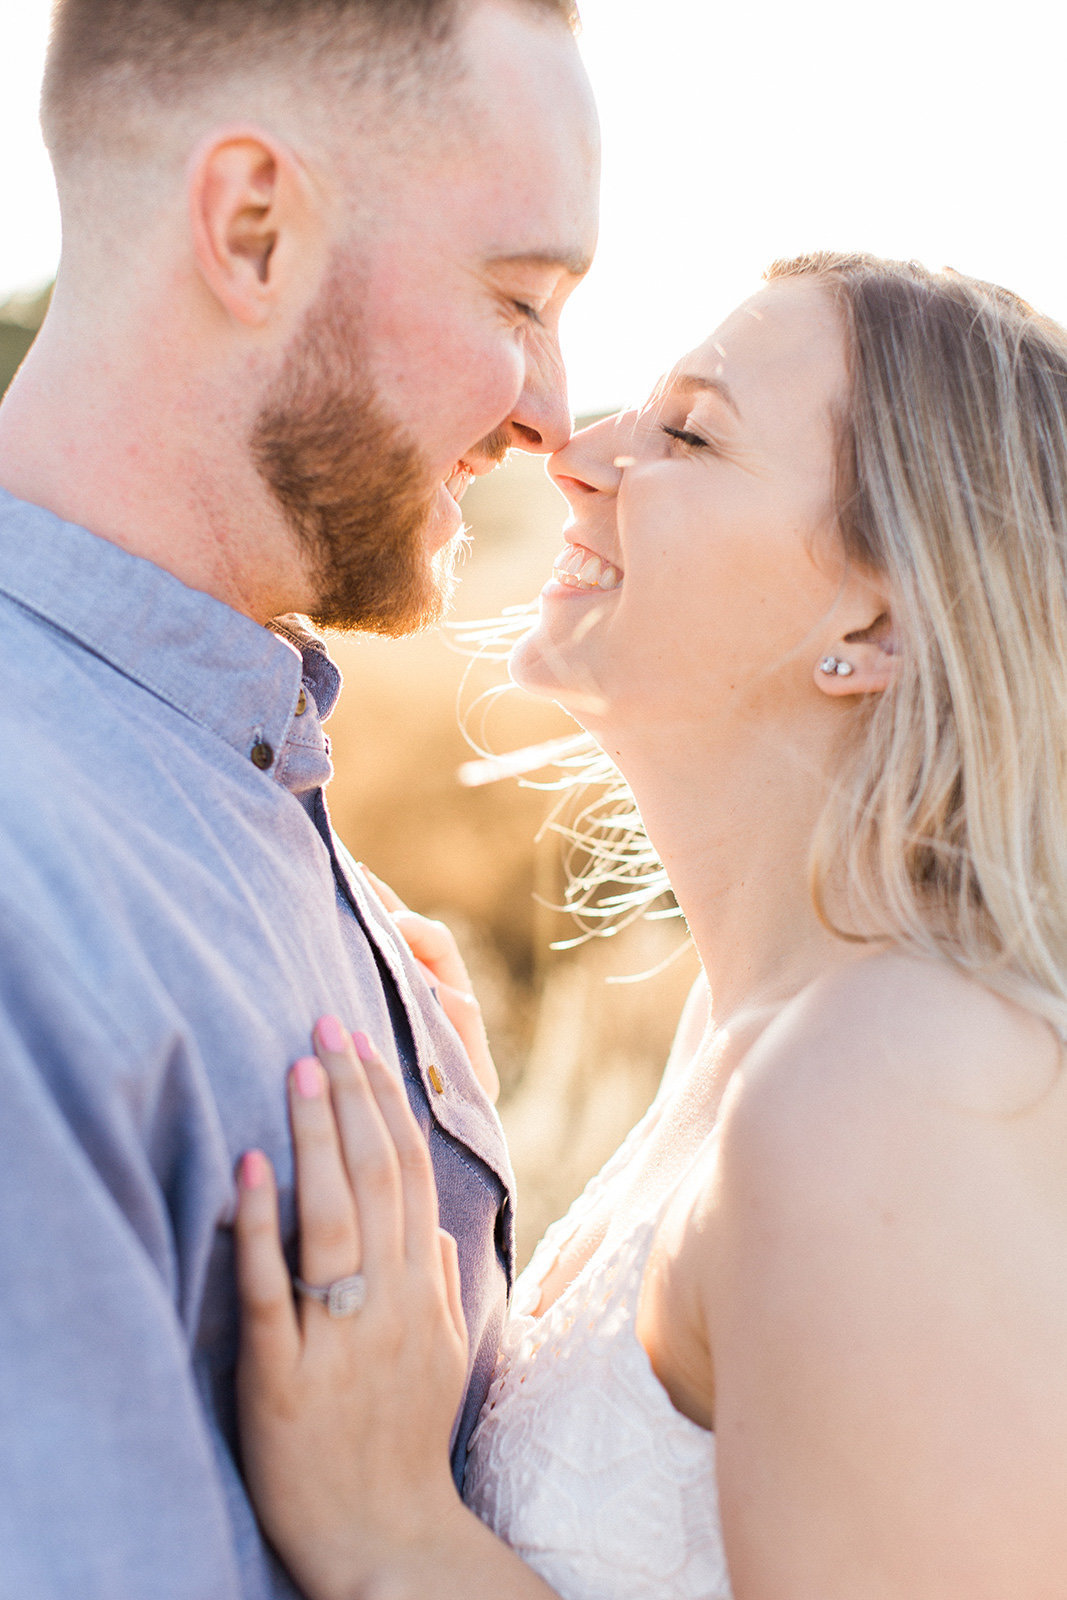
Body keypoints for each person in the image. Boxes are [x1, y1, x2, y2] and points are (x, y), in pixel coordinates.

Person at [233, 254, 1067, 1599]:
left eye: (689, 433)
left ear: (878, 619)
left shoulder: (884, 1088)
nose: (572, 449)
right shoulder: (764, 1036)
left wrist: (392, 1533)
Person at [0, 1, 598, 1594]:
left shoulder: (234, 782)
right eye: (520, 298)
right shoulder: (27, 893)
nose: (552, 410)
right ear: (253, 228)